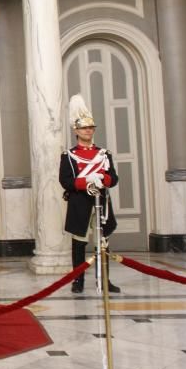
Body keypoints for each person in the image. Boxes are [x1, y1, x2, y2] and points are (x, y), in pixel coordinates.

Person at [59, 95, 121, 295]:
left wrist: (102, 178)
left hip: (101, 204)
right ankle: (78, 281)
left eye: (91, 128)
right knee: (79, 245)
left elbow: (114, 178)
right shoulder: (68, 156)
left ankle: (104, 280)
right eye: (84, 128)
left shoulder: (104, 154)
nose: (88, 131)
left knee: (103, 244)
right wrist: (87, 182)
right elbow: (66, 181)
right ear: (76, 131)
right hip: (80, 204)